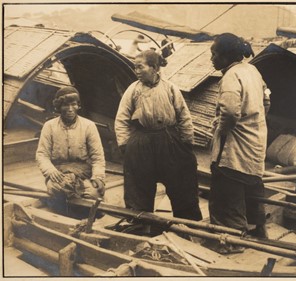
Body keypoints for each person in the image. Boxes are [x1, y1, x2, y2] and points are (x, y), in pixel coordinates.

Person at [114, 49, 202, 226]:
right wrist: (126, 146)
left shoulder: (170, 88)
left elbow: (184, 116)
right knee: (139, 185)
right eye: (135, 68)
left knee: (182, 182)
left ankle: (188, 226)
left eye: (140, 67)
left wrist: (186, 142)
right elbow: (121, 119)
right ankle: (140, 224)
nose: (136, 71)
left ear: (154, 68)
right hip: (142, 140)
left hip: (168, 139)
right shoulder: (133, 90)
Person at [208, 33, 271, 248]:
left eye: (214, 54)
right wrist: (254, 120)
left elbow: (230, 112)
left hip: (235, 142)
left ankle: (233, 238)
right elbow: (266, 99)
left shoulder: (231, 76)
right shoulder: (252, 70)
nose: (212, 59)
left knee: (227, 188)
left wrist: (222, 130)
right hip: (255, 138)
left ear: (226, 56)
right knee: (252, 182)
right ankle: (259, 230)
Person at [36, 86, 106, 216]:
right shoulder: (49, 126)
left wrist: (98, 177)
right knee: (56, 190)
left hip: (84, 173)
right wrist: (51, 171)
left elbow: (98, 157)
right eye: (65, 105)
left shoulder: (89, 126)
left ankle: (82, 215)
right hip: (59, 172)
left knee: (92, 195)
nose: (70, 109)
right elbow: (42, 155)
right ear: (58, 107)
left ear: (78, 106)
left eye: (73, 104)